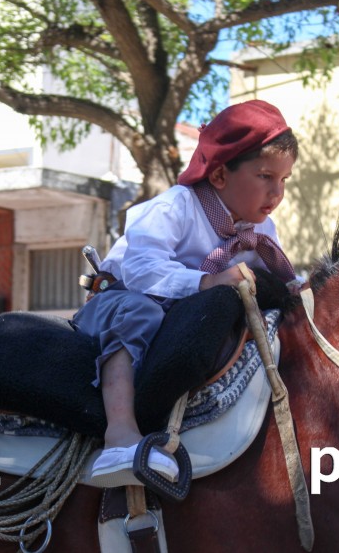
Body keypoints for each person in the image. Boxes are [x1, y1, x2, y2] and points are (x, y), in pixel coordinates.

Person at [73, 99, 302, 487]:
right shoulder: (173, 207)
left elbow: (279, 282)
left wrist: (299, 292)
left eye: (284, 180)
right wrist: (206, 282)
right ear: (218, 176)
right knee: (139, 311)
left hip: (178, 318)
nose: (276, 192)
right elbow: (140, 268)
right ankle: (119, 433)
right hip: (119, 304)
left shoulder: (262, 231)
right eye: (265, 175)